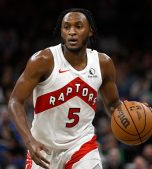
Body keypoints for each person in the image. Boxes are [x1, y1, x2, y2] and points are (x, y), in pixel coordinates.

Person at [8, 8, 122, 169]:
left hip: (81, 146)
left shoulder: (103, 63)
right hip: (43, 149)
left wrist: (131, 113)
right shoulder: (43, 60)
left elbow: (113, 104)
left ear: (90, 31)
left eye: (78, 26)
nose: (72, 32)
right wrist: (29, 141)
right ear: (61, 31)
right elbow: (15, 101)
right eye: (67, 27)